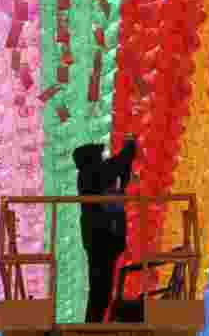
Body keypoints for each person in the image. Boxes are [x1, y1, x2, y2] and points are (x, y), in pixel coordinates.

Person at [72, 133, 138, 324]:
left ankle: (94, 325)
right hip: (101, 238)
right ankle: (91, 327)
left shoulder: (91, 175)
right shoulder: (90, 174)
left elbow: (116, 168)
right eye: (99, 157)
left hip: (103, 238)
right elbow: (115, 165)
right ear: (91, 160)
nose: (102, 159)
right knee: (99, 291)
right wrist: (129, 147)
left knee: (102, 291)